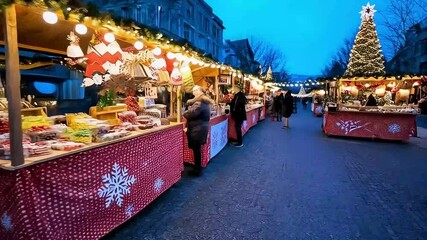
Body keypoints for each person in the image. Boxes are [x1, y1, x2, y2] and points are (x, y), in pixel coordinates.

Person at [183, 85, 214, 176]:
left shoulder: (199, 102)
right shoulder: (204, 101)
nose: (194, 92)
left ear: (201, 91)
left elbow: (190, 114)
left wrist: (184, 113)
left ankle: (197, 170)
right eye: (193, 90)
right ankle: (197, 168)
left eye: (196, 90)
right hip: (200, 128)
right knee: (197, 149)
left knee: (196, 150)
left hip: (197, 129)